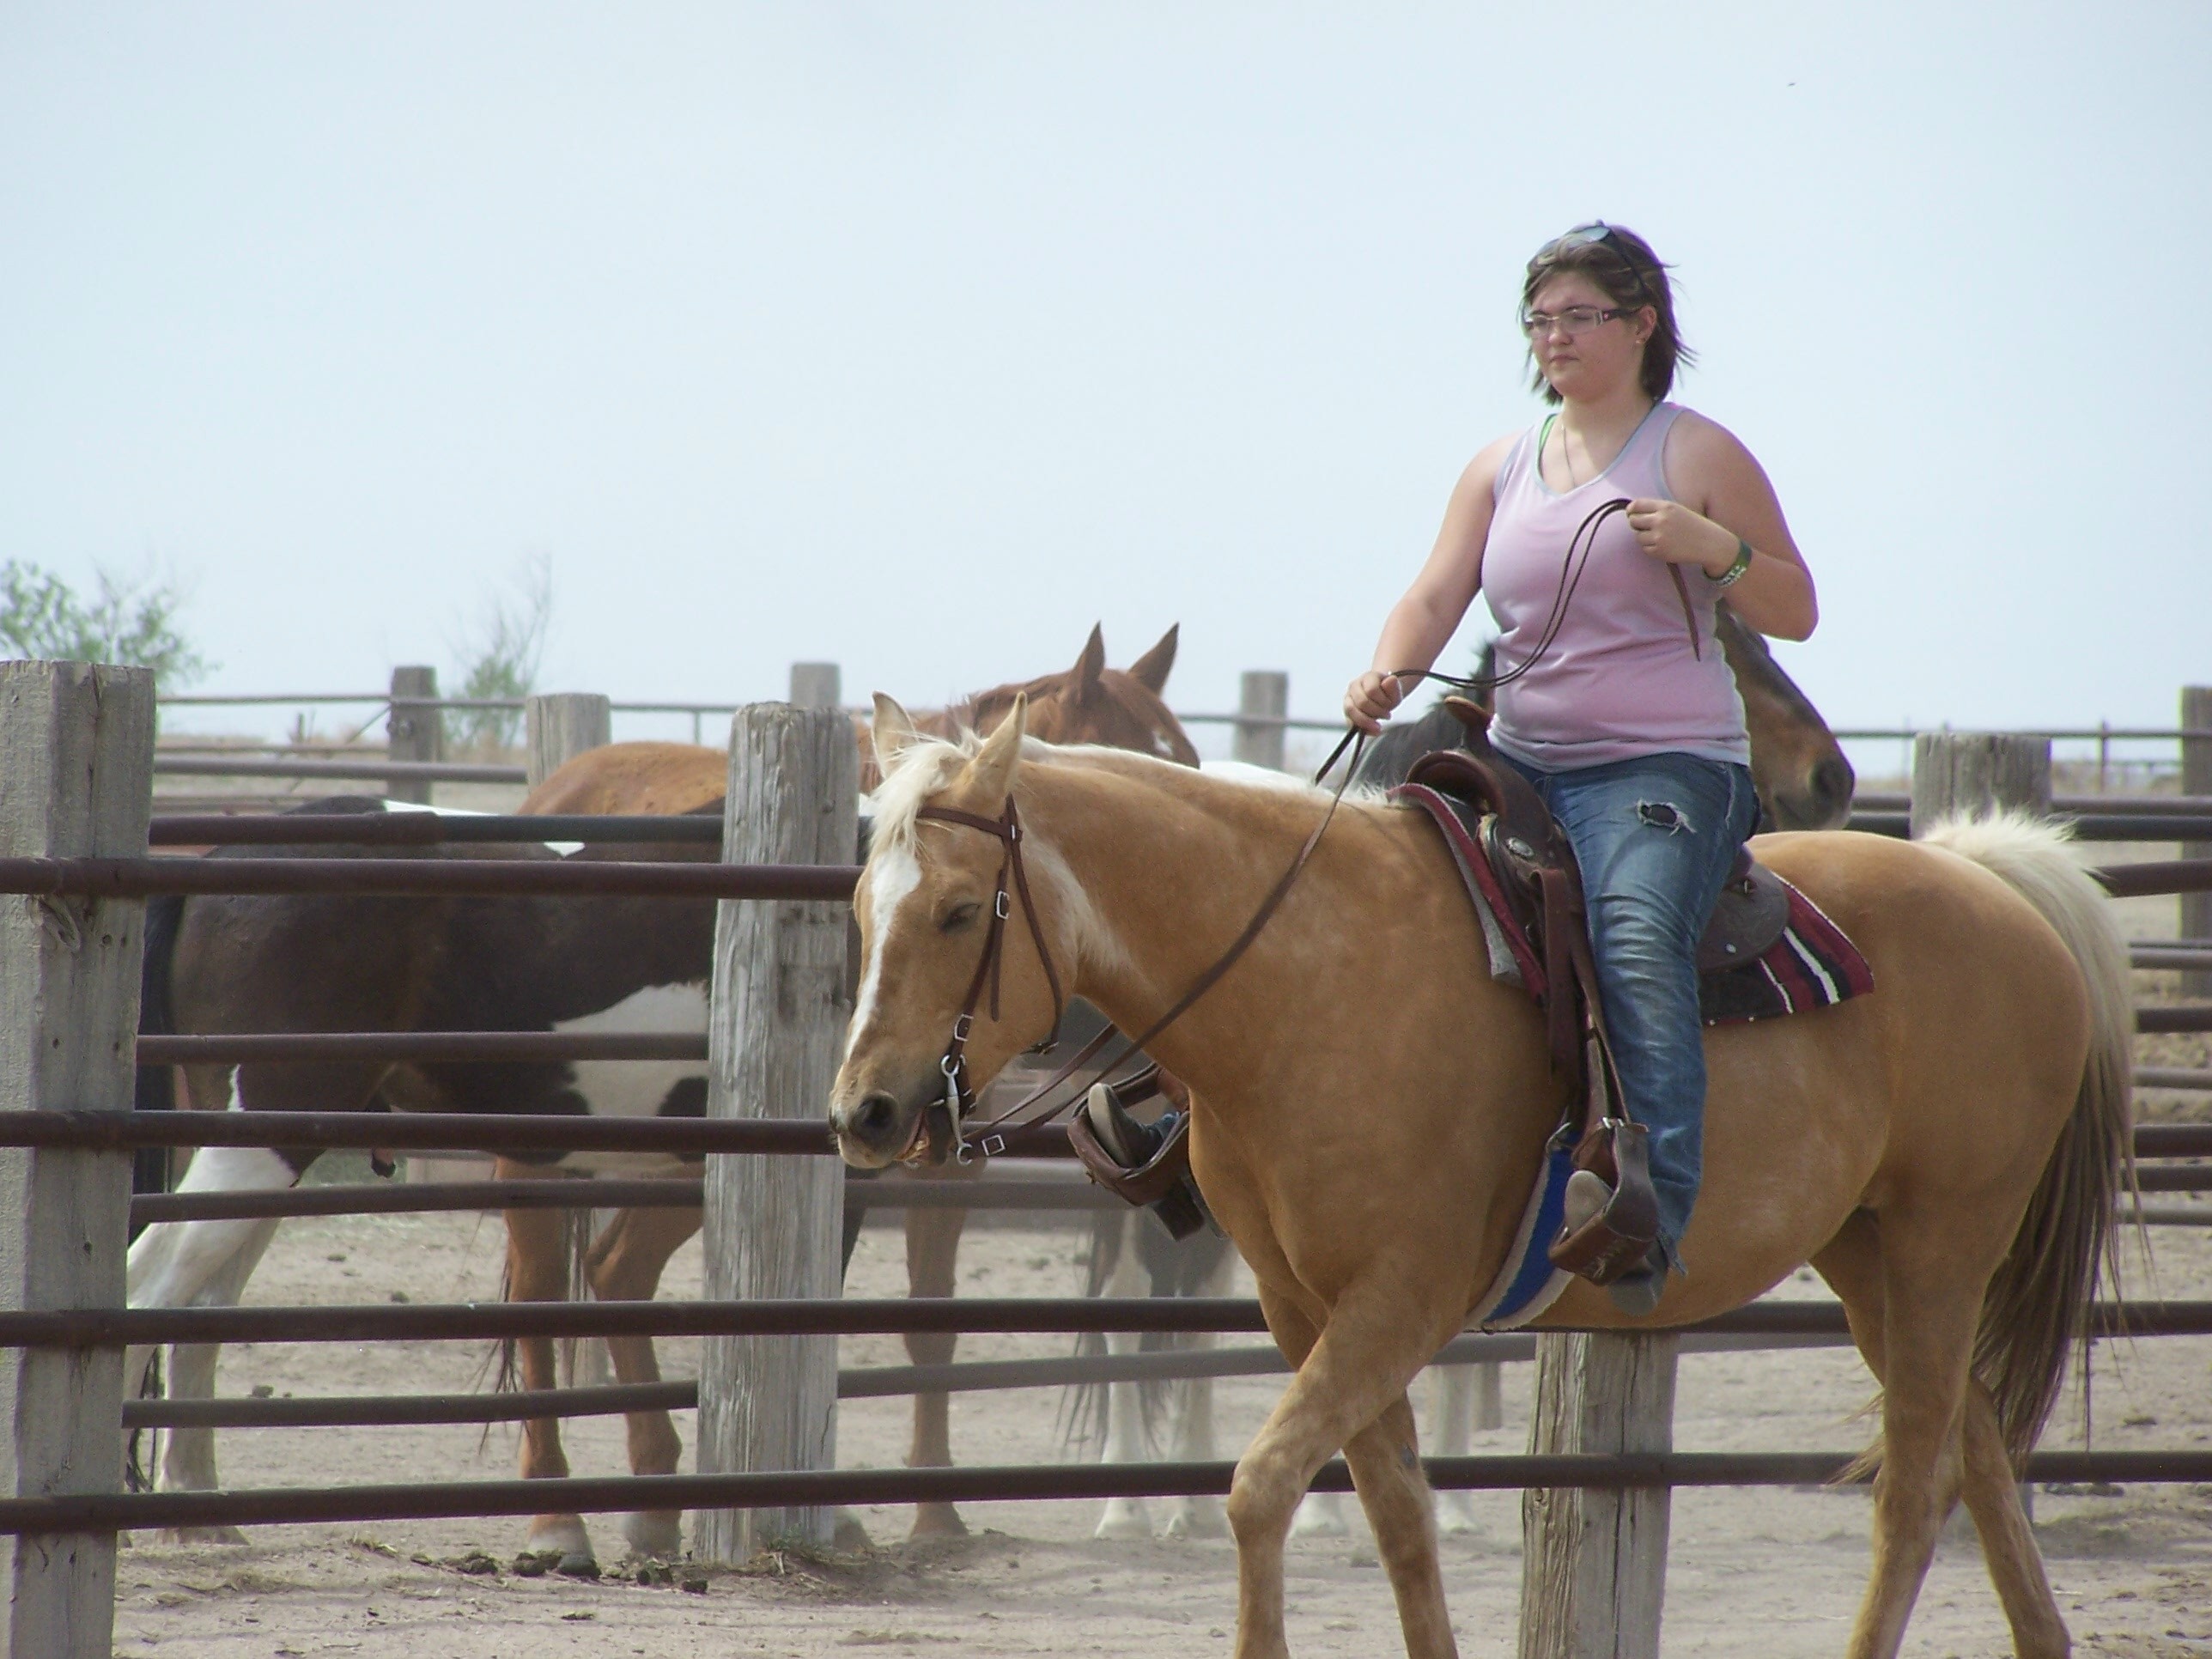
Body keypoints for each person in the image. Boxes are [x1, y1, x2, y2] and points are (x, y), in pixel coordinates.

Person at [1343, 222, 1818, 1312]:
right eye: (1539, 319)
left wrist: (1716, 552)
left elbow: (1792, 608)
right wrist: (1386, 671)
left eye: (1577, 316)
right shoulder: (1498, 464)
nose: (1552, 337)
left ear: (1641, 324)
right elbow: (1433, 595)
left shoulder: (1694, 453)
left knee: (1635, 939)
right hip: (1510, 763)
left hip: (1660, 771)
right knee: (1363, 906)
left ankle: (1648, 1218)